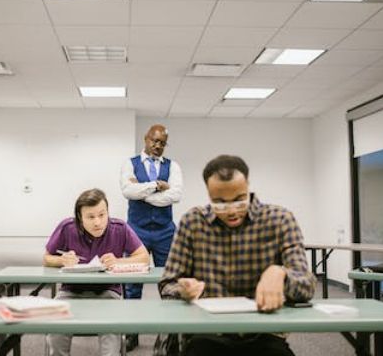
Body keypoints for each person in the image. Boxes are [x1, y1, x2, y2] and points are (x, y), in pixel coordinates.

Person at [159, 155, 316, 356]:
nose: (232, 211)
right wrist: (183, 289)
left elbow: (307, 286)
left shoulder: (280, 220)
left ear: (248, 186)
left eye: (239, 200)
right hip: (207, 334)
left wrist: (281, 274)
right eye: (220, 203)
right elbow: (167, 285)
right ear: (208, 194)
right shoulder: (193, 222)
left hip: (264, 334)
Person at [43, 188, 150, 356]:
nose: (98, 222)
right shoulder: (67, 227)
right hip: (70, 292)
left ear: (108, 212)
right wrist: (61, 260)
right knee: (56, 327)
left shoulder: (120, 228)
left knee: (111, 331)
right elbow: (47, 258)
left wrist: (118, 261)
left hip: (108, 293)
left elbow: (143, 257)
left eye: (102, 215)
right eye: (91, 217)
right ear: (80, 218)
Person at [120, 124, 183, 351]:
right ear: (146, 139)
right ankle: (131, 333)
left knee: (169, 283)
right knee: (132, 283)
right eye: (154, 141)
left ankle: (169, 336)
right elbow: (127, 191)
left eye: (162, 143)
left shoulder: (173, 166)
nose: (158, 146)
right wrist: (157, 186)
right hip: (136, 230)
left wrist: (143, 191)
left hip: (165, 231)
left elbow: (175, 195)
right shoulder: (130, 163)